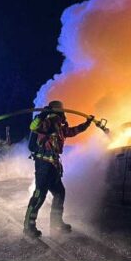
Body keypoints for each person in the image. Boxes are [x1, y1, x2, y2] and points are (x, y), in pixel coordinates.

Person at [23, 100, 92, 238]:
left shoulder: (59, 126)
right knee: (39, 195)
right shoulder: (48, 123)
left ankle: (56, 223)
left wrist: (87, 123)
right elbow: (33, 126)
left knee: (60, 193)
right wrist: (42, 115)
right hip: (43, 165)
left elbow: (73, 131)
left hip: (53, 166)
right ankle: (29, 226)